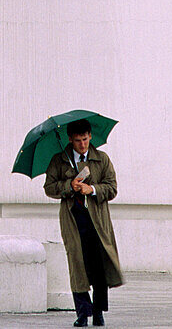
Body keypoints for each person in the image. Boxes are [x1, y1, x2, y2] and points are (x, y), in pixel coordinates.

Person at [44, 118, 123, 327]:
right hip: (73, 220)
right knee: (77, 265)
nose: (82, 144)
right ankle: (82, 312)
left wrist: (92, 189)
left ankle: (98, 312)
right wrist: (70, 186)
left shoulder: (102, 159)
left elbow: (112, 188)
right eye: (78, 140)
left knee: (98, 266)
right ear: (70, 139)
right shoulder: (59, 160)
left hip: (97, 220)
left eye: (85, 139)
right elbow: (49, 187)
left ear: (90, 136)